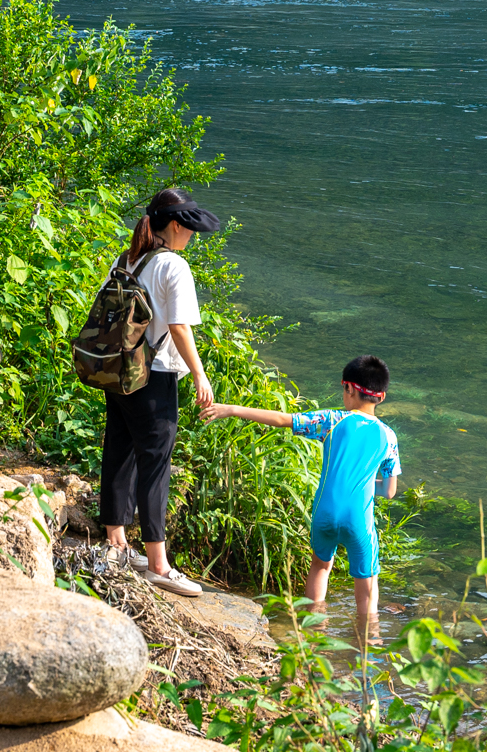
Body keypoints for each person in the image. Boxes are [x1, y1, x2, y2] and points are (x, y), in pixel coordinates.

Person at [206, 354, 399, 645]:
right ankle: (368, 646)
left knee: (320, 566)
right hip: (359, 520)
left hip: (324, 514)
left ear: (348, 388)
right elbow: (390, 491)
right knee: (367, 582)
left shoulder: (333, 420)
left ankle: (312, 638)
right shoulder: (389, 436)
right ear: (381, 397)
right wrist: (363, 481)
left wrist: (232, 409)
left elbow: (282, 419)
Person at [99, 187, 220, 596]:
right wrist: (200, 375)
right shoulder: (174, 266)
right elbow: (179, 327)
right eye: (189, 227)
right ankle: (158, 565)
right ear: (174, 225)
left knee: (119, 449)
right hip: (155, 375)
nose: (193, 235)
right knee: (155, 463)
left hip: (119, 371)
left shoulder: (126, 259)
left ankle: (116, 544)